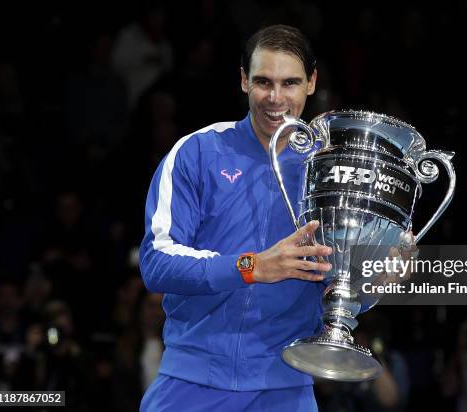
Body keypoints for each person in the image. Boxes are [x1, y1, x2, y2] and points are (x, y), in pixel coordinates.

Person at [138, 25, 332, 411]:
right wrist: (252, 266)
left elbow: (338, 287)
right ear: (244, 80)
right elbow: (156, 263)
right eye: (263, 81)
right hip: (192, 380)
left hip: (286, 386)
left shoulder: (327, 169)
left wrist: (377, 276)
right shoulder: (197, 152)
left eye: (290, 82)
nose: (275, 98)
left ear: (311, 83)